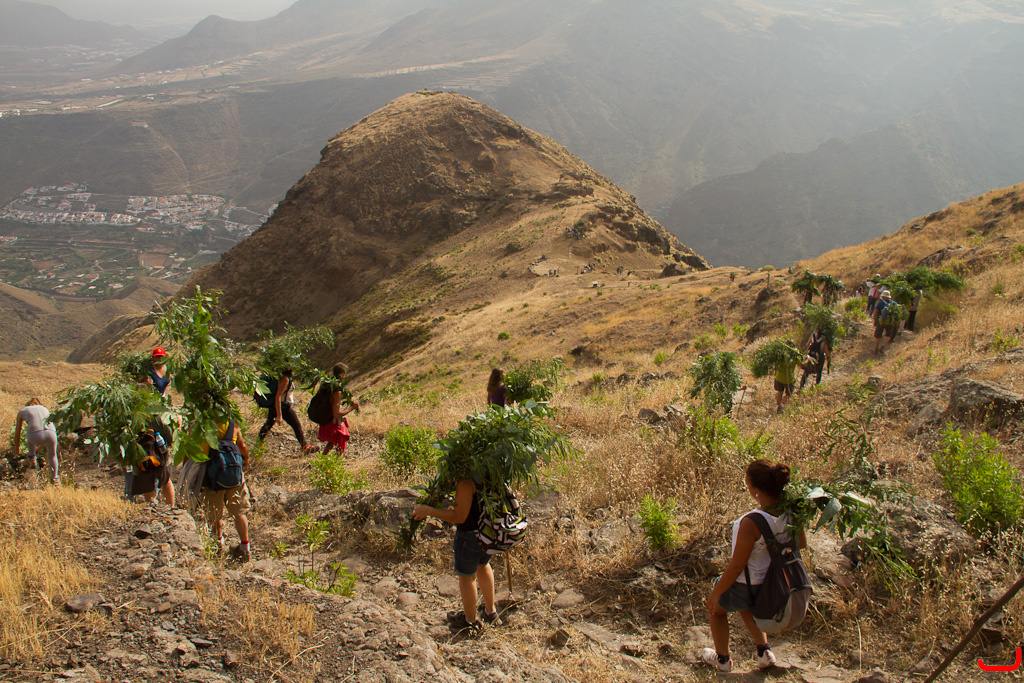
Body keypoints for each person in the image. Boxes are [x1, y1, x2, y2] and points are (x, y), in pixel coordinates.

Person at [700, 459, 806, 673]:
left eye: (747, 483)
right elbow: (801, 544)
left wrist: (715, 593)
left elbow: (737, 566)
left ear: (757, 491)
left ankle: (722, 660)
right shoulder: (791, 513)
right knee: (745, 602)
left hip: (749, 585)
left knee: (716, 610)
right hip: (774, 583)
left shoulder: (751, 522)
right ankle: (764, 651)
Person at [412, 478, 500, 630]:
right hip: (488, 532)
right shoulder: (490, 471)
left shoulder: (466, 481)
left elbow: (459, 516)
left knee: (467, 578)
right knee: (483, 565)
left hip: (470, 537)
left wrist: (429, 510)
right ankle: (490, 612)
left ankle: (469, 622)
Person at [203, 420, 252, 561]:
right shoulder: (232, 424)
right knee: (239, 512)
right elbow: (242, 445)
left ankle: (218, 545)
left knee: (215, 514)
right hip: (234, 476)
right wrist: (245, 461)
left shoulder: (202, 424)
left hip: (213, 478)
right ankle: (245, 547)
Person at [258, 369, 316, 453]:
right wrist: (279, 415)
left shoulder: (287, 377)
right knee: (296, 425)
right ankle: (305, 446)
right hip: (283, 407)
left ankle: (258, 444)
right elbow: (278, 397)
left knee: (268, 424)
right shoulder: (285, 379)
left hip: (277, 406)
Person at [14, 399, 59, 485]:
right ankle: (55, 479)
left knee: (30, 433)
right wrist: (39, 449)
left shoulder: (22, 412)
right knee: (53, 456)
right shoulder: (45, 409)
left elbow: (17, 435)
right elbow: (45, 435)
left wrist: (17, 450)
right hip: (51, 434)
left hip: (34, 436)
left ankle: (32, 458)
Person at [318, 363, 359, 455]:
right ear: (341, 375)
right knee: (341, 439)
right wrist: (352, 408)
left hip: (325, 419)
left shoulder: (326, 386)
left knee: (332, 441)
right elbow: (336, 414)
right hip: (332, 422)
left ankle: (322, 459)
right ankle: (337, 462)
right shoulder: (336, 391)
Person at [128, 424, 174, 505]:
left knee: (162, 480)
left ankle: (163, 508)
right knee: (163, 480)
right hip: (154, 451)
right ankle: (156, 507)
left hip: (152, 451)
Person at [773, 347, 800, 415]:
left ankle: (778, 406)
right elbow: (802, 364)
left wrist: (775, 373)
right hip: (789, 379)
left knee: (780, 391)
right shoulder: (795, 356)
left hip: (779, 377)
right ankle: (782, 404)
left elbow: (776, 365)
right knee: (788, 394)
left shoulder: (781, 355)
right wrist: (808, 359)